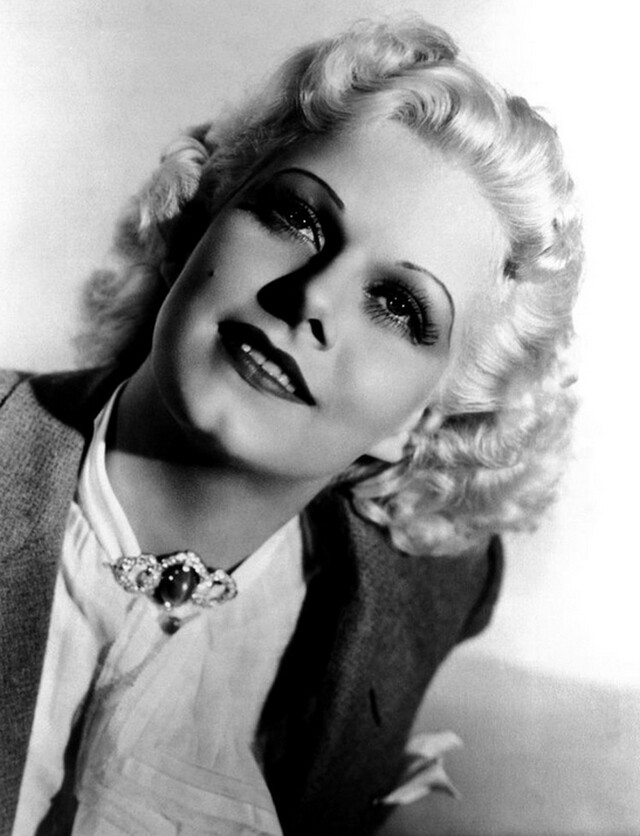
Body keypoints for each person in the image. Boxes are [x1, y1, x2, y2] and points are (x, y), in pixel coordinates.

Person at [0, 15, 582, 836]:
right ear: (196, 224)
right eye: (297, 219)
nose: (311, 297)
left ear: (423, 424)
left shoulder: (421, 593)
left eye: (399, 305)